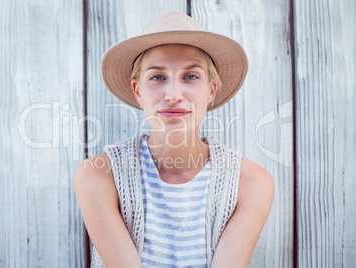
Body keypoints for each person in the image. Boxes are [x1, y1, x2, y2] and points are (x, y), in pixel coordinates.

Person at [74, 11, 274, 268]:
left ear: (211, 90)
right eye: (157, 77)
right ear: (138, 91)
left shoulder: (250, 183)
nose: (173, 94)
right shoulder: (100, 175)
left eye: (190, 76)